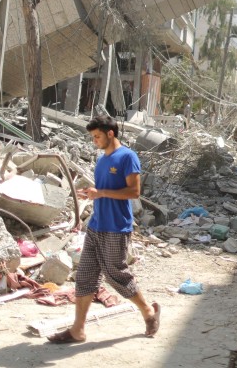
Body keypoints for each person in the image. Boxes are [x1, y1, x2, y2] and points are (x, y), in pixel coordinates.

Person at [48, 114, 159, 344]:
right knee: (86, 276)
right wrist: (91, 193)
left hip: (117, 227)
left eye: (97, 136)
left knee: (115, 274)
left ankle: (148, 311)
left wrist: (102, 193)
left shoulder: (127, 157)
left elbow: (134, 192)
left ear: (111, 133)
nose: (94, 141)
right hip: (97, 225)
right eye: (92, 137)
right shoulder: (102, 160)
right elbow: (102, 189)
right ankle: (78, 330)